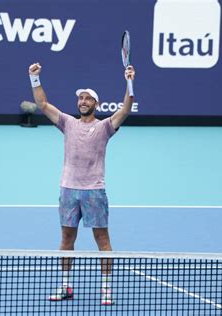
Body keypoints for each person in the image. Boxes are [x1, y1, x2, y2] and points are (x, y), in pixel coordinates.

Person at [28, 62, 136, 305]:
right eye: (80, 99)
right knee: (67, 239)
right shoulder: (67, 123)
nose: (83, 101)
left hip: (94, 192)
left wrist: (130, 82)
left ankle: (106, 288)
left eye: (88, 98)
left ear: (95, 104)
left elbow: (125, 110)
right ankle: (66, 285)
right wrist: (35, 78)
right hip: (68, 190)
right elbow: (43, 105)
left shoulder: (105, 126)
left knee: (102, 240)